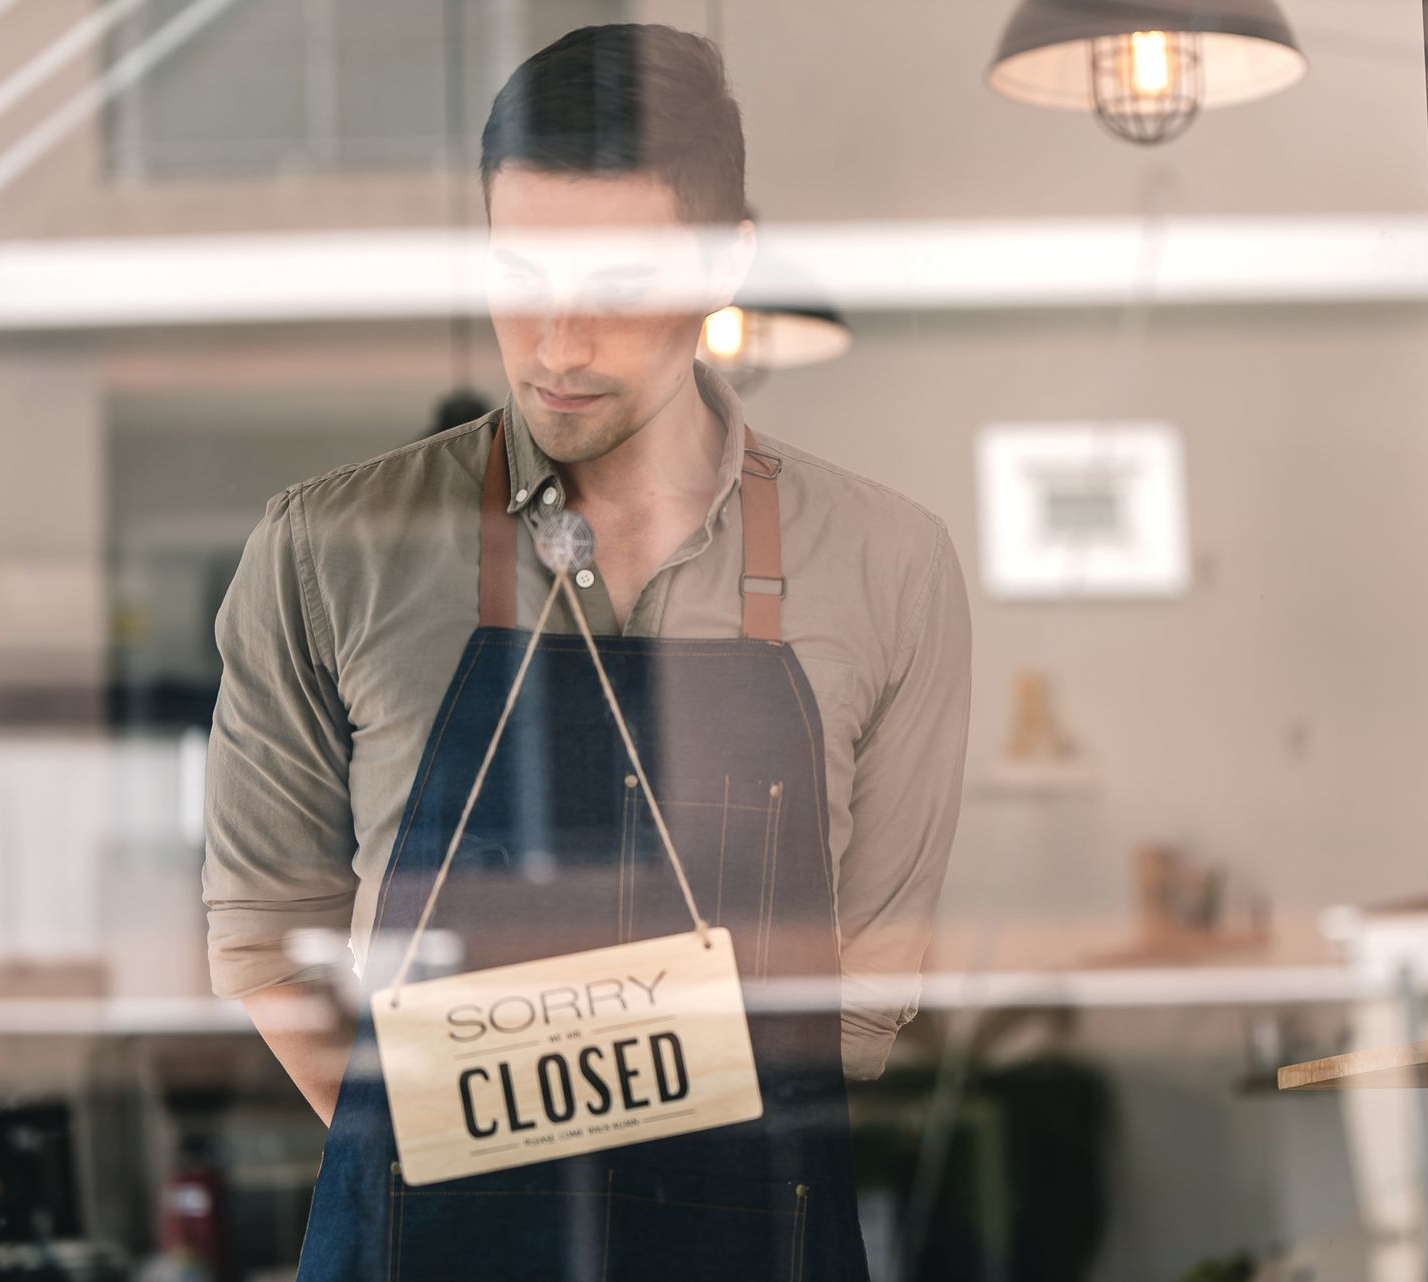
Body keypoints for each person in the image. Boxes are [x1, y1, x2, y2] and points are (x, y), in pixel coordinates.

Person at [201, 23, 971, 1279]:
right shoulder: (327, 549)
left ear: (730, 259)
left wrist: (519, 1092)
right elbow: (267, 935)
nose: (557, 343)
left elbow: (860, 1003)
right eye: (520, 272)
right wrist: (456, 1163)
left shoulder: (887, 565)